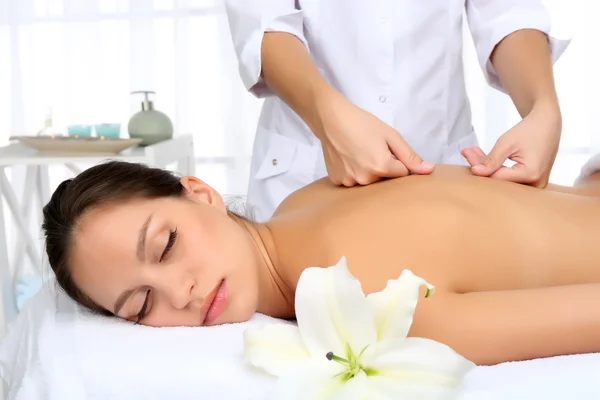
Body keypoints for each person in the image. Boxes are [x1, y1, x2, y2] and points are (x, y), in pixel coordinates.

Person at [42, 157, 600, 366]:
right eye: (140, 307)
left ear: (200, 191)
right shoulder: (306, 198)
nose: (180, 292)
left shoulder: (374, 298)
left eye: (165, 246)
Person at [224, 1, 570, 221]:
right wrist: (326, 116)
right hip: (305, 177)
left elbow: (507, 12)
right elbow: (263, 23)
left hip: (442, 172)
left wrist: (542, 107)